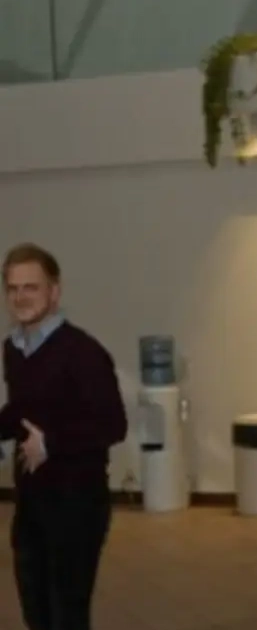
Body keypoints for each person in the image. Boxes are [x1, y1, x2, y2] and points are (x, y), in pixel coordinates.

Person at [0, 243, 128, 630]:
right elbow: (21, 411)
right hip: (31, 503)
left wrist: (51, 443)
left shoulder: (83, 353)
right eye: (12, 288)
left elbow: (113, 424)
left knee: (67, 617)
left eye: (31, 287)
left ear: (54, 291)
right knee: (37, 614)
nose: (20, 297)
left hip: (76, 506)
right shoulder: (13, 349)